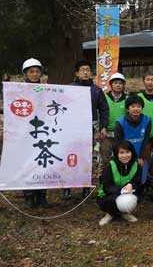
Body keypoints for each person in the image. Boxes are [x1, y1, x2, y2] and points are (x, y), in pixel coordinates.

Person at [67, 59, 109, 200]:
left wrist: (104, 126)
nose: (85, 72)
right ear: (77, 73)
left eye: (88, 70)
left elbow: (103, 109)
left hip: (90, 128)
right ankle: (67, 187)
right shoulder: (70, 88)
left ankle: (86, 187)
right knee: (70, 156)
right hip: (71, 127)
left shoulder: (96, 90)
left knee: (88, 157)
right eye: (82, 70)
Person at [21, 58, 48, 208]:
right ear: (25, 73)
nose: (35, 74)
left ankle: (42, 195)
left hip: (43, 131)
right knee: (28, 164)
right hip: (25, 133)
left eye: (37, 71)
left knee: (42, 162)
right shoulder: (17, 89)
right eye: (31, 71)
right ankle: (29, 196)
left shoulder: (47, 89)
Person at [97, 140, 142, 226]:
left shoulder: (137, 166)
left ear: (132, 153)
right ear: (116, 154)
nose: (125, 155)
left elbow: (138, 182)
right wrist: (122, 191)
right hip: (108, 195)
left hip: (128, 192)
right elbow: (107, 187)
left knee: (137, 194)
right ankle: (110, 213)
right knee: (110, 199)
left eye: (127, 152)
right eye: (121, 153)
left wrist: (131, 184)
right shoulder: (109, 166)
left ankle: (125, 212)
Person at [114, 95, 152, 183]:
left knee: (143, 180)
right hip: (125, 155)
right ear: (128, 108)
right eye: (133, 106)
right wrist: (133, 158)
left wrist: (141, 157)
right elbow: (118, 144)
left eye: (138, 106)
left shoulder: (147, 120)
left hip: (141, 154)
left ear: (142, 108)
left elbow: (145, 141)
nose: (136, 109)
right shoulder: (120, 122)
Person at [103, 72, 127, 167]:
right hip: (107, 133)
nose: (118, 85)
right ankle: (106, 178)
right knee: (106, 157)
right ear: (111, 85)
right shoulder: (104, 98)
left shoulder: (127, 99)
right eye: (115, 83)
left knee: (121, 157)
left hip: (122, 134)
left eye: (120, 83)